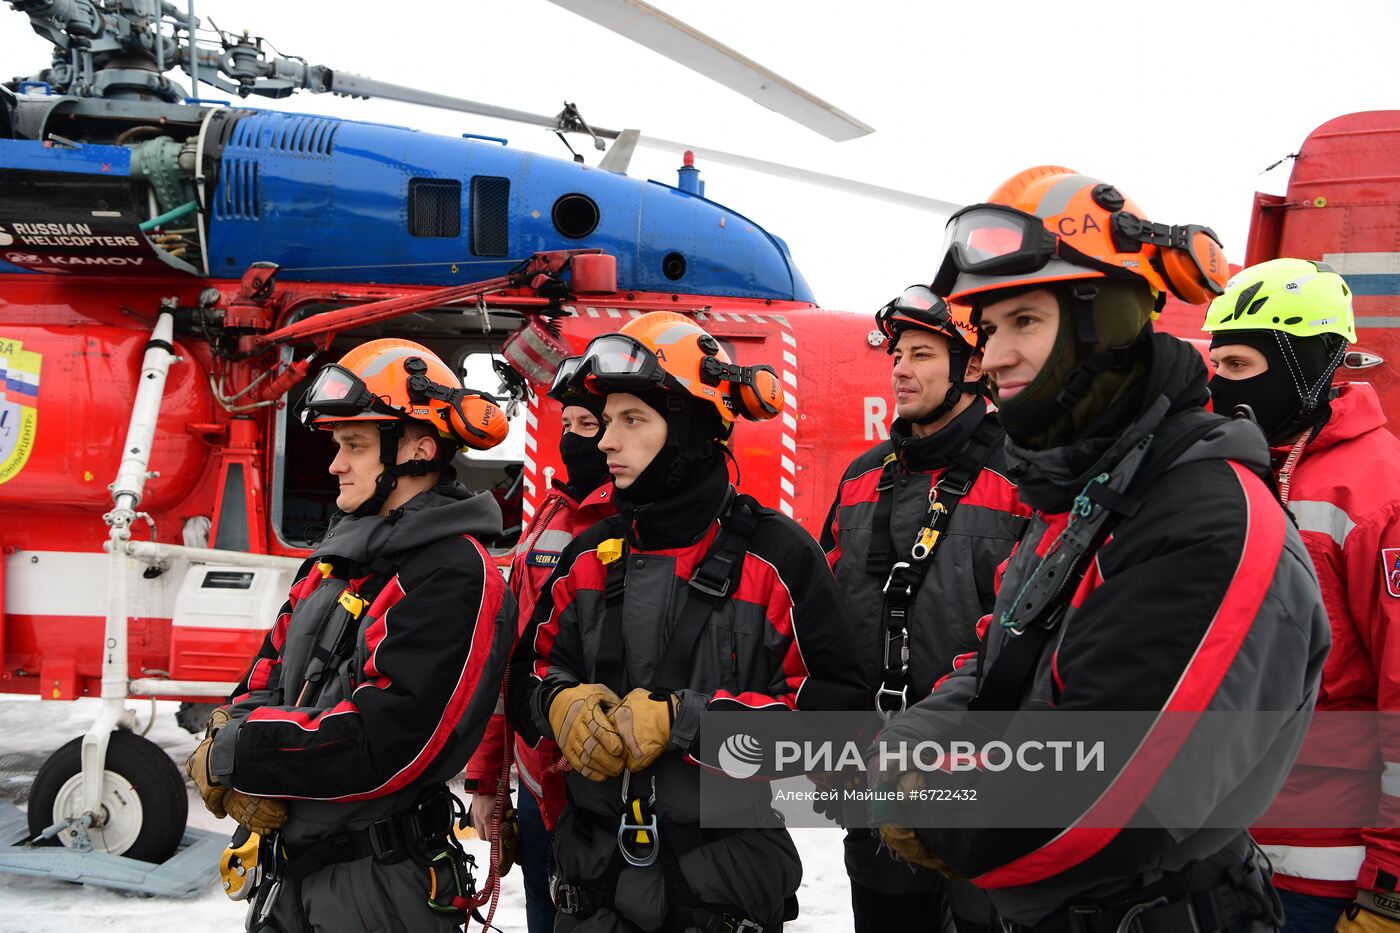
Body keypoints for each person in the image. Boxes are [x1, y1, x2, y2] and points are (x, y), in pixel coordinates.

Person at [873, 166, 1331, 932]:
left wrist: (931, 803)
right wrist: (909, 746)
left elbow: (1093, 795)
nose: (995, 355)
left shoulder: (1208, 520)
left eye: (1026, 320)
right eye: (988, 329)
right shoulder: (1082, 491)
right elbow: (999, 661)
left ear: (1104, 323)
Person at [507, 311, 867, 932]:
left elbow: (839, 724)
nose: (604, 442)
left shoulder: (777, 558)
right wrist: (557, 706)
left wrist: (691, 724)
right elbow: (524, 680)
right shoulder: (588, 558)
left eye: (633, 420)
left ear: (691, 425)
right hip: (591, 898)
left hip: (718, 898)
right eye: (607, 420)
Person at [184, 338, 517, 933]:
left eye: (355, 445)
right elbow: (265, 676)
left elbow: (386, 741)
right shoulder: (332, 562)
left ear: (420, 448)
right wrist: (224, 732)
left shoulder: (451, 574)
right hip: (291, 874)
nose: (336, 464)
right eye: (338, 444)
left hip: (378, 888)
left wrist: (241, 753)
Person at [820, 287, 1030, 933]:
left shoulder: (1024, 476)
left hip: (988, 782)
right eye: (896, 355)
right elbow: (826, 625)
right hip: (876, 777)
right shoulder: (860, 477)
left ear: (971, 366)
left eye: (921, 354)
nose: (900, 368)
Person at [1203, 258, 1400, 933]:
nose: (1215, 384)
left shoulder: (1377, 491)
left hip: (1327, 872)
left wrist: (1390, 885)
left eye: (1235, 364)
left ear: (1307, 364)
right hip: (1216, 851)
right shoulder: (1227, 467)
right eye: (1214, 362)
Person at [466, 356, 618, 933]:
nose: (573, 441)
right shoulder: (551, 513)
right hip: (535, 785)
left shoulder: (644, 522)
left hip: (606, 785)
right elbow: (508, 658)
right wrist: (487, 782)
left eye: (589, 427)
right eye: (569, 424)